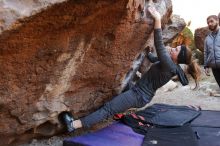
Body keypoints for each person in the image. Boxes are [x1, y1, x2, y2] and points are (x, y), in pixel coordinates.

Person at [58, 6, 201, 132]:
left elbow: (159, 44)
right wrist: (147, 52)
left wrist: (157, 18)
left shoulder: (170, 66)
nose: (173, 49)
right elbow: (153, 59)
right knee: (114, 97)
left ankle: (74, 125)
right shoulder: (170, 64)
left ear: (178, 57)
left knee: (108, 109)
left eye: (176, 50)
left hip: (138, 95)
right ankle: (113, 112)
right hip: (138, 92)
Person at [204, 15, 220, 88]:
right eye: (208, 23)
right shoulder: (207, 39)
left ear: (217, 21)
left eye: (211, 21)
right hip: (214, 68)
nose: (209, 24)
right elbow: (206, 53)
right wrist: (206, 66)